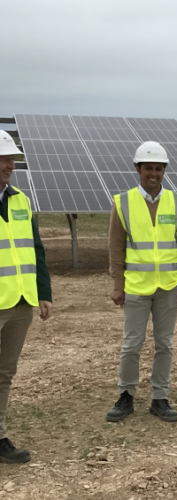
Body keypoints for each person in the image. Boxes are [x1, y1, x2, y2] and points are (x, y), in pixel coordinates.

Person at [106, 141, 177, 423]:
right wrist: (117, 285)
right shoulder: (123, 202)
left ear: (164, 170)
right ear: (138, 169)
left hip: (169, 286)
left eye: (158, 168)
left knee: (165, 344)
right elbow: (115, 247)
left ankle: (160, 397)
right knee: (132, 343)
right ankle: (126, 395)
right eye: (148, 168)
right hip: (135, 286)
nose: (153, 173)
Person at [0, 130, 52, 464]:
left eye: (12, 160)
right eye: (4, 159)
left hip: (20, 302)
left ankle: (0, 435)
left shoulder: (20, 200)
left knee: (5, 373)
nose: (10, 166)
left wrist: (43, 293)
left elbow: (36, 250)